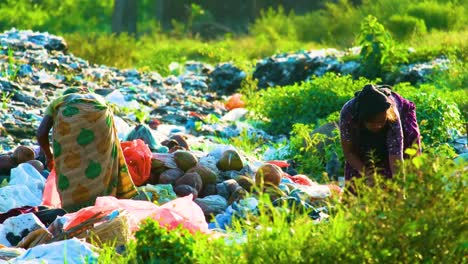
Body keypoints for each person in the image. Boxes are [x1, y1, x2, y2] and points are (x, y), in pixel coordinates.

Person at [37, 88, 137, 212]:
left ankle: (72, 211)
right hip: (101, 112)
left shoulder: (59, 101)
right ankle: (102, 209)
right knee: (100, 164)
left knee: (70, 165)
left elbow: (41, 133)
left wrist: (49, 156)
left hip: (70, 113)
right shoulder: (98, 98)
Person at [339, 84, 421, 186]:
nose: (378, 126)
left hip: (401, 115)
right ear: (363, 120)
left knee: (411, 148)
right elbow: (349, 152)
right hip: (360, 132)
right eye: (373, 123)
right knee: (357, 177)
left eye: (381, 122)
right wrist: (366, 173)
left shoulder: (392, 115)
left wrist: (400, 190)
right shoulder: (348, 114)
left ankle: (417, 186)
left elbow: (395, 155)